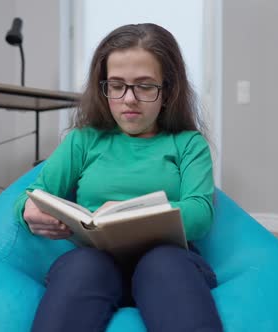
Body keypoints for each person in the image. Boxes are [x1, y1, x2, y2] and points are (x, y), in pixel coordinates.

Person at [14, 23, 223, 332]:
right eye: (116, 85)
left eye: (145, 86)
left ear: (167, 90)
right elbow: (33, 192)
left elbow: (201, 212)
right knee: (84, 268)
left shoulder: (188, 143)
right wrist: (27, 211)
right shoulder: (83, 140)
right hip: (95, 261)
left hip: (169, 262)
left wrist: (132, 212)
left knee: (163, 263)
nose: (129, 99)